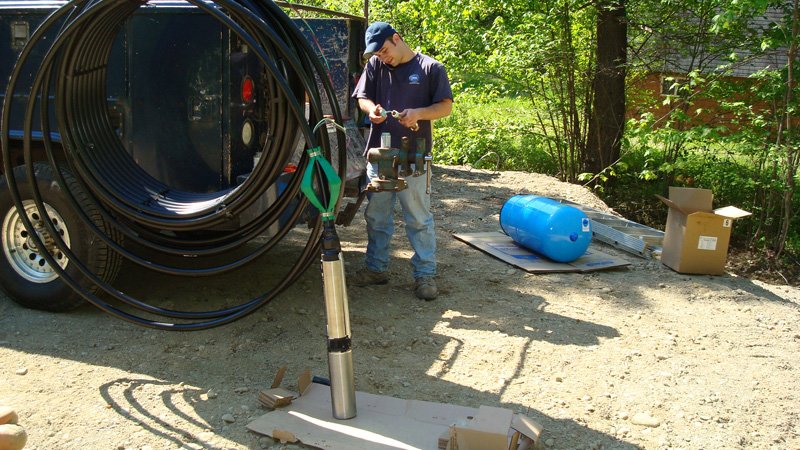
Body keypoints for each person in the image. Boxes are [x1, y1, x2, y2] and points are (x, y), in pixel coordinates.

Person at [350, 21, 453, 300]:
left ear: (397, 39)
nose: (382, 57)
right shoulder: (375, 66)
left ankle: (425, 275)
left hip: (414, 155)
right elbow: (362, 97)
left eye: (384, 50)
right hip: (380, 154)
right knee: (377, 215)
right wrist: (372, 111)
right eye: (377, 54)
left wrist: (418, 114)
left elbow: (445, 106)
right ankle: (376, 269)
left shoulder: (431, 68)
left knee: (418, 217)